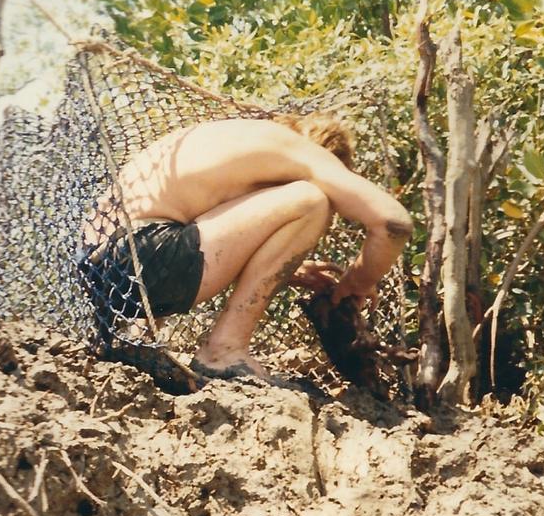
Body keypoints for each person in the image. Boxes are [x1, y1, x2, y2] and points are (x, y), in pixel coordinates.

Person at [80, 113, 413, 381]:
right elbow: (393, 224)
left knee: (171, 224)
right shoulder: (305, 152)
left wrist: (287, 268)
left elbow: (212, 232)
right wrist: (356, 283)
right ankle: (223, 352)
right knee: (312, 201)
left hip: (100, 272)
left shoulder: (238, 138)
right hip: (145, 258)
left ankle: (136, 335)